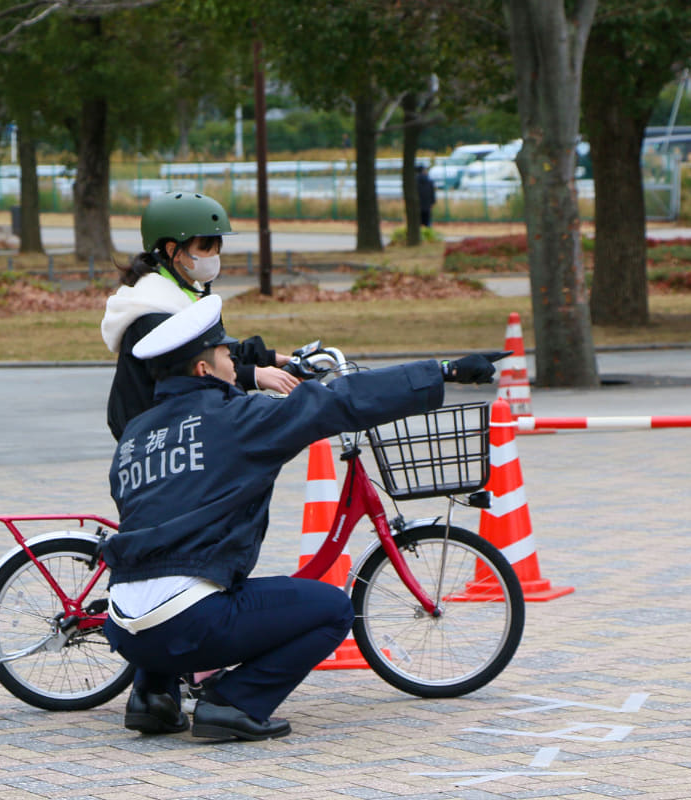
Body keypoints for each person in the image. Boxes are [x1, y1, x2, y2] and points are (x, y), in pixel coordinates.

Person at [102, 295, 498, 741]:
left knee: (174, 582)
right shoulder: (236, 419)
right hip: (189, 624)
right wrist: (442, 371)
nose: (235, 363)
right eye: (226, 355)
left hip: (125, 628)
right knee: (332, 609)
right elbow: (339, 400)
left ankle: (152, 697)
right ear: (203, 368)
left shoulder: (136, 435)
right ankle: (232, 703)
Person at [100, 190, 299, 440]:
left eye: (217, 249)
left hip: (178, 426)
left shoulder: (184, 293)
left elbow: (213, 348)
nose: (214, 258)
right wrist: (254, 375)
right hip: (156, 437)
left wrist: (270, 358)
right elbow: (192, 372)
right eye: (206, 249)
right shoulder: (155, 311)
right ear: (174, 250)